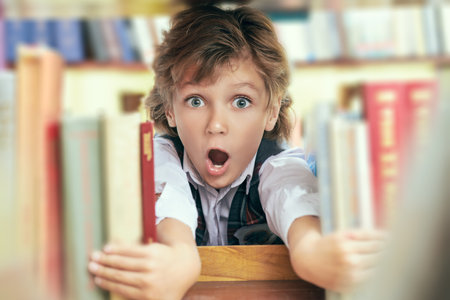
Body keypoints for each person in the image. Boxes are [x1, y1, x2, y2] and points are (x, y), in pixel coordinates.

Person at [88, 4, 385, 299]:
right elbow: (170, 195)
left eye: (241, 101)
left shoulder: (278, 165)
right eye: (195, 101)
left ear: (271, 110)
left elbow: (292, 195)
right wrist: (180, 258)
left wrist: (312, 251)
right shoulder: (162, 157)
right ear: (170, 110)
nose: (216, 125)